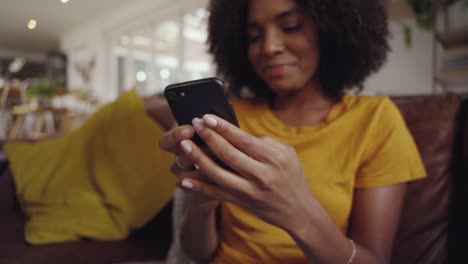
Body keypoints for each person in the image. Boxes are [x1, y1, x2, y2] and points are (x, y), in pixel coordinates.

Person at [158, 0, 426, 263]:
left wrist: (295, 212)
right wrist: (201, 202)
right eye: (254, 37)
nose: (269, 47)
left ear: (331, 28)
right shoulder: (226, 118)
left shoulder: (375, 119)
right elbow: (197, 254)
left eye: (291, 26)